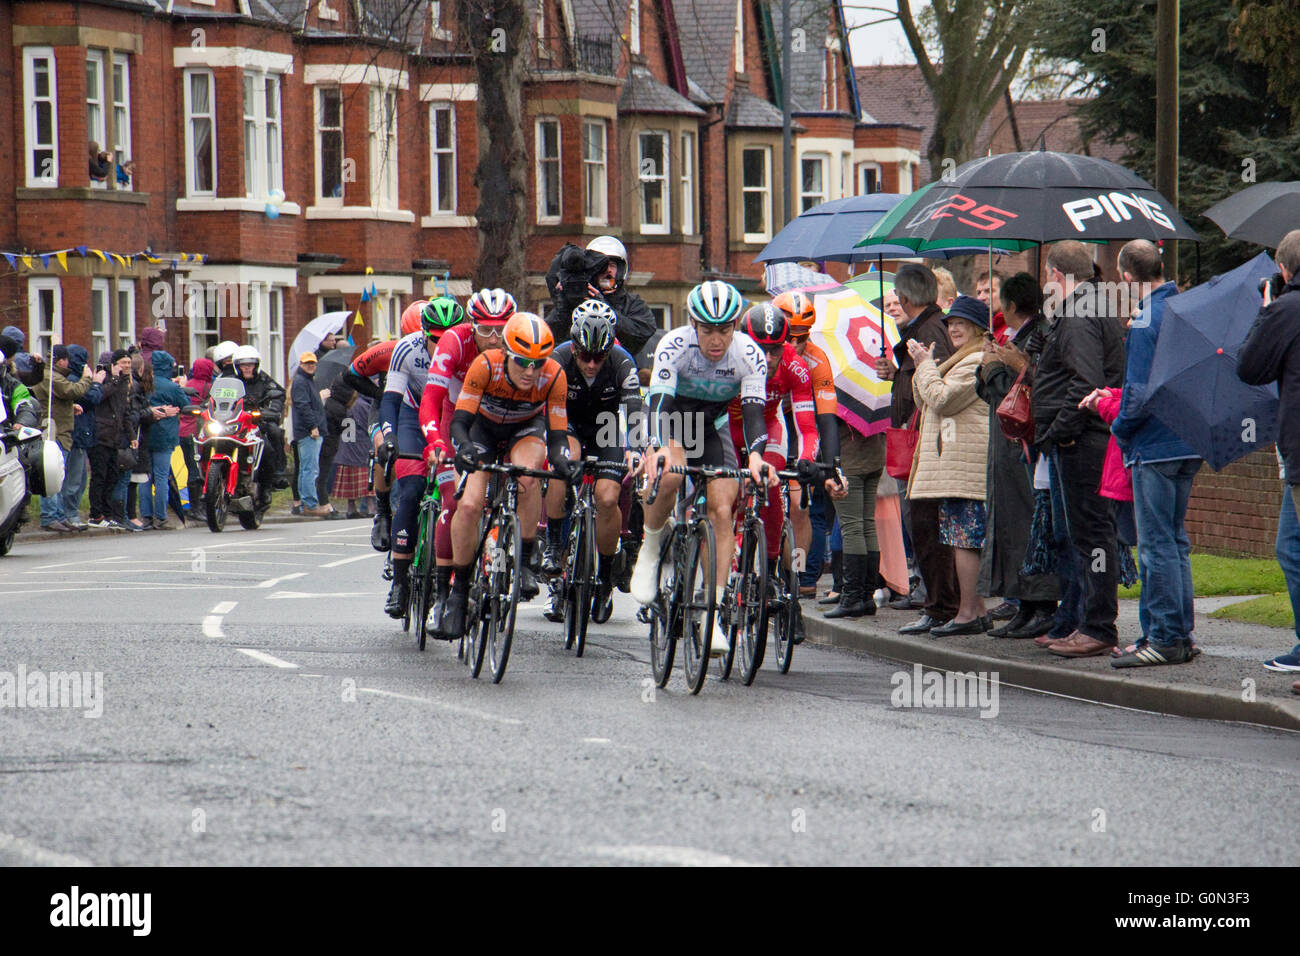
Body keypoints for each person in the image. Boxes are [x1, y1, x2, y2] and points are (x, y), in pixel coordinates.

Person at [629, 280, 773, 658]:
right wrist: (658, 448)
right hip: (672, 422)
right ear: (693, 324)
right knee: (672, 472)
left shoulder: (749, 355)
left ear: (736, 326)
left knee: (723, 506)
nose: (716, 339)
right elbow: (658, 404)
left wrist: (757, 456)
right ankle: (651, 545)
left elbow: (755, 416)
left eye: (724, 330)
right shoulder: (674, 345)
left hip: (712, 427)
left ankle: (711, 613)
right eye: (707, 329)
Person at [441, 314, 579, 638]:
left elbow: (558, 438)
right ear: (506, 352)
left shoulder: (554, 375)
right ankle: (458, 592)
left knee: (530, 475)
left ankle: (526, 553)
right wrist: (463, 448)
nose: (530, 371)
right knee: (471, 504)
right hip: (481, 431)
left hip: (525, 430)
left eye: (538, 363)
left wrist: (562, 461)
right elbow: (460, 421)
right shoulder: (486, 365)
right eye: (522, 362)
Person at [1096, 239, 1201, 667]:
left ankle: (1162, 638)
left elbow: (1137, 396)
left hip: (1154, 445)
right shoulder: (1183, 308)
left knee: (1155, 545)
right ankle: (1181, 634)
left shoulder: (1144, 319)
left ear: (1125, 276)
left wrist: (1119, 428)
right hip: (1187, 441)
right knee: (1175, 541)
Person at [1032, 240, 1126, 658]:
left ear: (1055, 274)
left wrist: (1058, 430)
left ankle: (1098, 627)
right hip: (1088, 435)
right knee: (1090, 534)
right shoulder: (1095, 303)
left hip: (1083, 439)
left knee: (1092, 536)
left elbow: (1084, 381)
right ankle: (1090, 623)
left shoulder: (1080, 312)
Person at [728, 304, 838, 637]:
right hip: (727, 430)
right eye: (761, 348)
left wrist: (808, 459)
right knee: (727, 493)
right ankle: (727, 562)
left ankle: (779, 577)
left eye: (776, 347)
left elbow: (808, 424)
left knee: (778, 493)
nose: (769, 356)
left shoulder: (797, 365)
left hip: (771, 427)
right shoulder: (728, 358)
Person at [540, 300, 644, 622]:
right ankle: (555, 545)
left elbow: (635, 407)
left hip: (606, 428)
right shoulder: (557, 358)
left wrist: (637, 447)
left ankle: (605, 579)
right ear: (574, 346)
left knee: (608, 497)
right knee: (564, 463)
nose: (591, 364)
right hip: (567, 423)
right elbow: (545, 408)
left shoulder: (622, 362)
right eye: (584, 355)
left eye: (598, 357)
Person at [877, 264, 959, 634]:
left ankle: (941, 605)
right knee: (922, 526)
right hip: (920, 446)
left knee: (927, 526)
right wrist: (895, 373)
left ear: (906, 299)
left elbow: (936, 389)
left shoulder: (929, 333)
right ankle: (938, 603)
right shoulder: (922, 329)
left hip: (928, 448)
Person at [976, 273, 1058, 639]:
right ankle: (1024, 604)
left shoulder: (1036, 337)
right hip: (1008, 449)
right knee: (1013, 525)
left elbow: (1014, 393)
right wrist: (989, 363)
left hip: (1023, 447)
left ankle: (1041, 605)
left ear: (1010, 305)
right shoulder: (1017, 337)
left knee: (1029, 524)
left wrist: (993, 366)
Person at [907, 295, 992, 635]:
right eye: (951, 323)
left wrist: (925, 365)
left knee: (964, 539)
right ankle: (977, 610)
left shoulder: (975, 361)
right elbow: (926, 398)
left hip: (965, 466)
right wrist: (923, 366)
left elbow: (941, 399)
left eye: (961, 323)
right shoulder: (961, 358)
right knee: (959, 538)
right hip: (956, 465)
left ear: (977, 329)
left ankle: (967, 613)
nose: (954, 328)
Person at [381, 296, 469, 618]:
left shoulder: (465, 350)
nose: (442, 343)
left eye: (449, 335)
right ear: (424, 334)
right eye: (435, 338)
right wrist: (388, 436)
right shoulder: (408, 348)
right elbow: (390, 400)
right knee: (412, 490)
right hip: (412, 416)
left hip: (452, 418)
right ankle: (400, 582)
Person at [1238, 229, 1300, 671]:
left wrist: (1266, 312)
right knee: (1290, 545)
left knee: (1294, 550)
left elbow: (1249, 366)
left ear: (1283, 269)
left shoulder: (1285, 310)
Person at [772, 290, 846, 599]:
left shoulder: (817, 360)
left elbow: (827, 420)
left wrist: (830, 468)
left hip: (801, 423)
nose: (794, 345)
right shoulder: (760, 352)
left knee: (801, 505)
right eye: (789, 336)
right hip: (767, 418)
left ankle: (799, 573)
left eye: (801, 337)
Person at [31, 344, 105, 532]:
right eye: (66, 360)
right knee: (52, 476)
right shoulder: (52, 377)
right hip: (55, 432)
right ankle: (49, 516)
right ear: (62, 360)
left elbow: (53, 400)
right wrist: (89, 379)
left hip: (60, 430)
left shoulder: (50, 376)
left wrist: (69, 407)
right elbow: (73, 391)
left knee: (58, 476)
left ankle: (57, 514)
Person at [544, 236, 656, 356]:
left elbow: (641, 333)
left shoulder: (633, 302)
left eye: (612, 265)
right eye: (601, 267)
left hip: (617, 368)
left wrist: (603, 308)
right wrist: (564, 306)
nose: (607, 271)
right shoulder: (577, 299)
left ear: (621, 270)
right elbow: (547, 336)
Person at [229, 344, 287, 510]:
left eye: (250, 364)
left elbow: (278, 394)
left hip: (257, 423)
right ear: (237, 366)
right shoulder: (230, 380)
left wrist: (272, 409)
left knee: (269, 444)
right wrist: (206, 406)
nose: (247, 368)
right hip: (233, 423)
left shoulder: (264, 380)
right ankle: (210, 481)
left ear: (256, 365)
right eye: (243, 364)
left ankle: (269, 483)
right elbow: (213, 396)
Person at [88, 349, 133, 529]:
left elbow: (125, 411)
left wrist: (131, 435)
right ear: (114, 365)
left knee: (112, 476)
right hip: (101, 435)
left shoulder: (124, 383)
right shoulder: (106, 378)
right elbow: (100, 396)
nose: (127, 366)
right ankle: (95, 514)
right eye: (124, 363)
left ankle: (107, 514)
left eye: (129, 363)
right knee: (99, 476)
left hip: (115, 437)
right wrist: (114, 378)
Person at [143, 350, 186, 530]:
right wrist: (181, 386)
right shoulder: (172, 387)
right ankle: (161, 516)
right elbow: (185, 403)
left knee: (145, 476)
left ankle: (146, 516)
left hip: (145, 434)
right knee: (161, 476)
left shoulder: (145, 384)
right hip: (165, 436)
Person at [62, 346, 101, 530]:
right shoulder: (73, 380)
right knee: (74, 478)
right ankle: (69, 514)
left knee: (80, 478)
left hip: (82, 432)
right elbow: (92, 397)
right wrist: (95, 382)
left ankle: (71, 512)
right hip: (76, 433)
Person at [291, 351, 332, 517]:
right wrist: (313, 426)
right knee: (310, 469)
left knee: (306, 468)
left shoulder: (307, 381)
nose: (310, 366)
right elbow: (303, 406)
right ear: (301, 365)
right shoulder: (301, 381)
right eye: (307, 363)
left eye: (313, 363)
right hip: (309, 432)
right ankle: (310, 504)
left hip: (309, 430)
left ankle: (304, 504)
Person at [179, 357, 216, 520]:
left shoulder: (186, 384)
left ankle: (194, 505)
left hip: (182, 431)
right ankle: (197, 507)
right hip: (199, 431)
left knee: (190, 466)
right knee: (199, 467)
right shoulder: (209, 387)